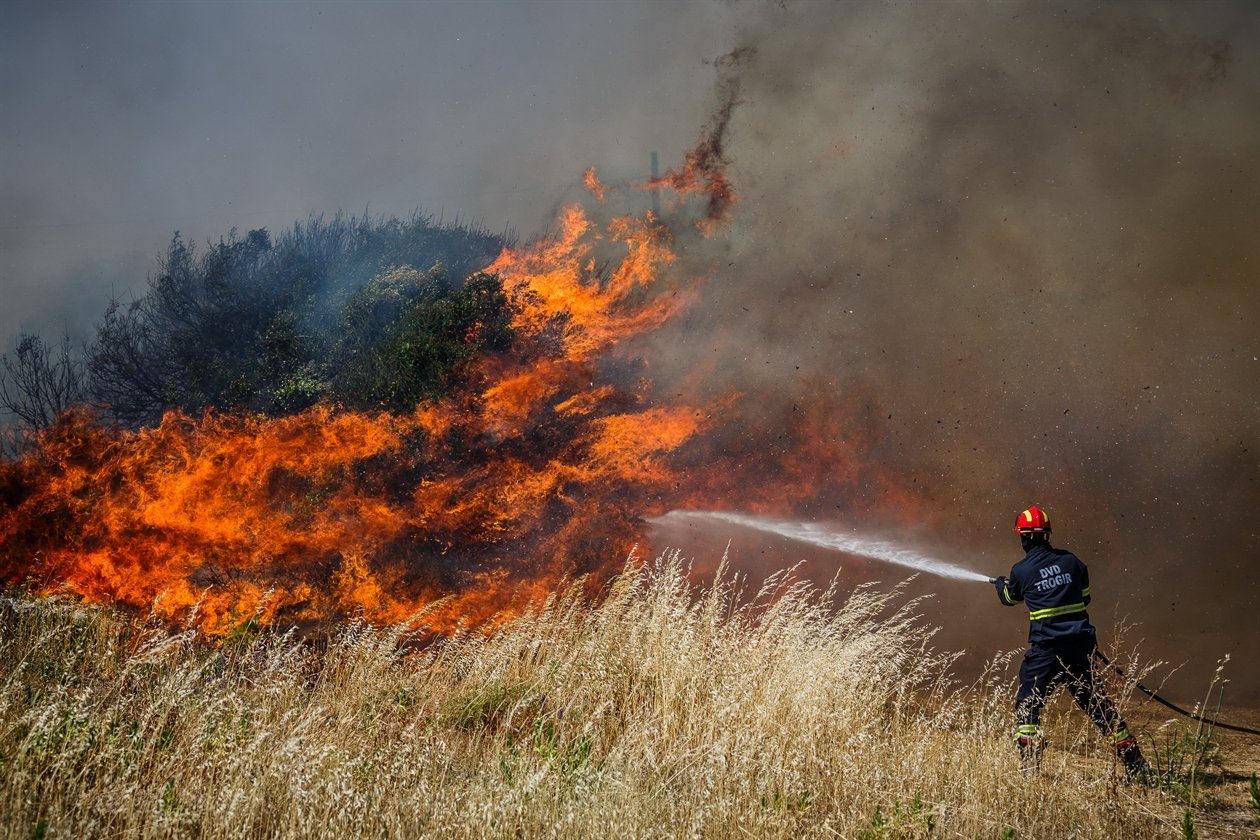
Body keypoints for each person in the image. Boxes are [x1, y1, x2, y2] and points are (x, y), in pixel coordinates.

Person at [993, 505, 1150, 781]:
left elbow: (1009, 599)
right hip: (1080, 648)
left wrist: (1000, 585)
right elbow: (1084, 599)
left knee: (1028, 703)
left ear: (1025, 538)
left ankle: (1029, 770)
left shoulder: (1022, 570)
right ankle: (1135, 763)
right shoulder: (1072, 562)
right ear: (1048, 535)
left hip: (1047, 652)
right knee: (1099, 706)